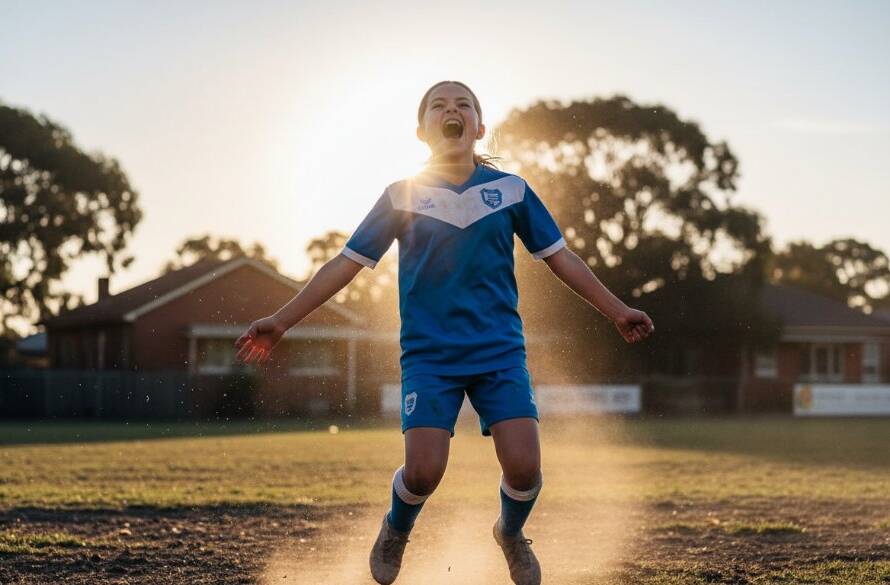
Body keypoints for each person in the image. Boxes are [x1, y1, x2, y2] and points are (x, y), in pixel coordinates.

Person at [234, 80, 654, 585]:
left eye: (464, 105)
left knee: (524, 467)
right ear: (421, 131)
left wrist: (616, 309)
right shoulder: (402, 196)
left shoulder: (513, 191)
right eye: (439, 105)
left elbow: (561, 258)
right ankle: (395, 528)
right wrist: (282, 320)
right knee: (424, 472)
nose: (451, 110)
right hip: (430, 356)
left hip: (499, 352)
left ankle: (510, 534)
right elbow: (344, 264)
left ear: (479, 127)